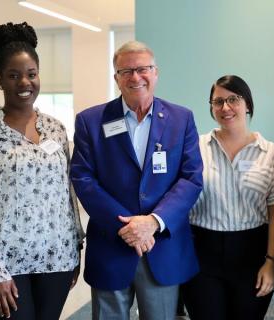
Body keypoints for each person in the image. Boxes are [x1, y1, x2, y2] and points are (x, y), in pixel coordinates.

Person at [70, 40, 203, 319]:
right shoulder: (90, 121)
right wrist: (127, 225)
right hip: (111, 244)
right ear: (116, 78)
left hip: (161, 246)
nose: (135, 77)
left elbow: (190, 178)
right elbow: (83, 177)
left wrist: (153, 222)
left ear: (155, 73)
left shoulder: (181, 119)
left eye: (143, 69)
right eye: (126, 71)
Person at [0, 22, 84, 320]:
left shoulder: (55, 127)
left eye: (31, 74)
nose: (24, 83)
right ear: (0, 80)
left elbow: (67, 193)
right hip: (2, 265)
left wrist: (76, 247)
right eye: (14, 76)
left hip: (55, 259)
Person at [181, 75, 274, 319]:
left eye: (233, 99)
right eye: (218, 102)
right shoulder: (194, 147)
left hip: (253, 255)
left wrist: (271, 263)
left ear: (247, 103)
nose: (225, 107)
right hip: (200, 255)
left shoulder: (271, 153)